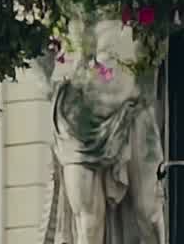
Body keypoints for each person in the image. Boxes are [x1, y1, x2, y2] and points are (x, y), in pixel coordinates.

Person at [38, 16, 165, 244]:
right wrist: (49, 87)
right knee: (88, 224)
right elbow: (30, 41)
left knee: (149, 212)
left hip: (131, 110)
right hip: (78, 121)